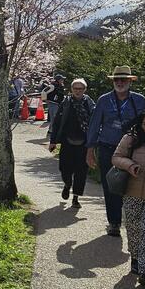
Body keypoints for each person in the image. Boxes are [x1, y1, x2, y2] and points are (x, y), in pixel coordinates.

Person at [86, 66, 145, 236]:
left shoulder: (139, 100)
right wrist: (90, 150)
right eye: (116, 79)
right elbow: (94, 125)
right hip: (108, 149)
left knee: (132, 185)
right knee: (110, 184)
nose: (119, 82)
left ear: (130, 81)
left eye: (123, 79)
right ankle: (114, 222)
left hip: (132, 150)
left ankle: (133, 222)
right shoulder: (104, 100)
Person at [111, 108, 145, 288]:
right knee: (134, 229)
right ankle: (135, 257)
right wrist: (130, 165)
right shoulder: (131, 138)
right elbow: (116, 158)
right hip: (132, 193)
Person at [48, 78, 94, 206]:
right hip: (67, 142)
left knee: (81, 172)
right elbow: (57, 122)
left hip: (84, 143)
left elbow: (95, 123)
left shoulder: (90, 104)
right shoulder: (66, 103)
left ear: (85, 90)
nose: (78, 91)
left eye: (80, 89)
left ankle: (76, 198)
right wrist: (53, 141)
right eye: (75, 88)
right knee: (64, 169)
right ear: (71, 90)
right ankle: (67, 184)